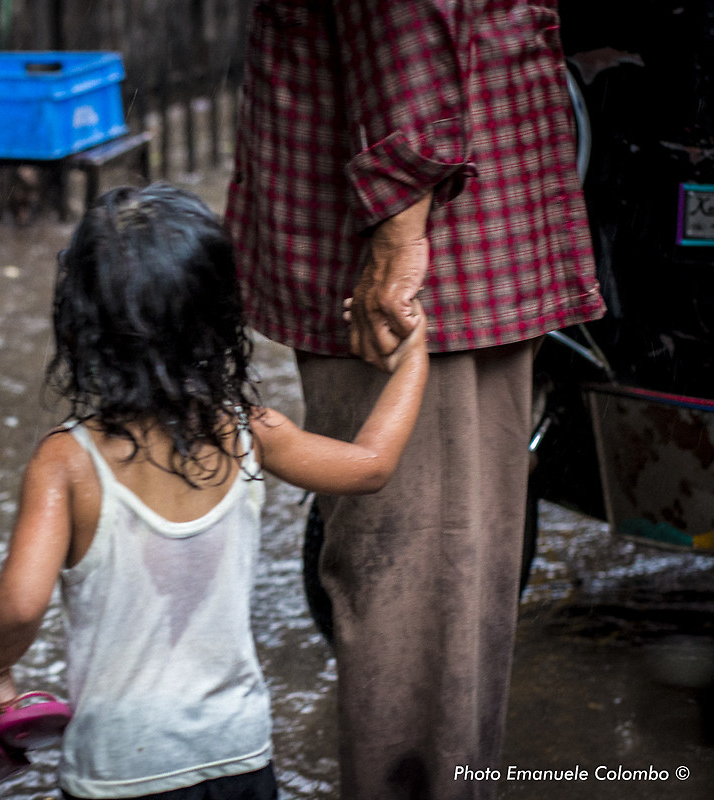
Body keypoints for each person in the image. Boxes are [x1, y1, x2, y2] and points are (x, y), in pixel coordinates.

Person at [224, 2, 608, 800]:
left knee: (436, 612)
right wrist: (405, 218)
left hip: (438, 242)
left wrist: (403, 224)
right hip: (444, 240)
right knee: (439, 615)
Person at [0, 184, 428, 800]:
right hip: (239, 752)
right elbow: (369, 465)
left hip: (121, 768)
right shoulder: (251, 430)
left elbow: (19, 607)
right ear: (221, 316)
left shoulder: (66, 463)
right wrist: (414, 358)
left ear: (82, 328)